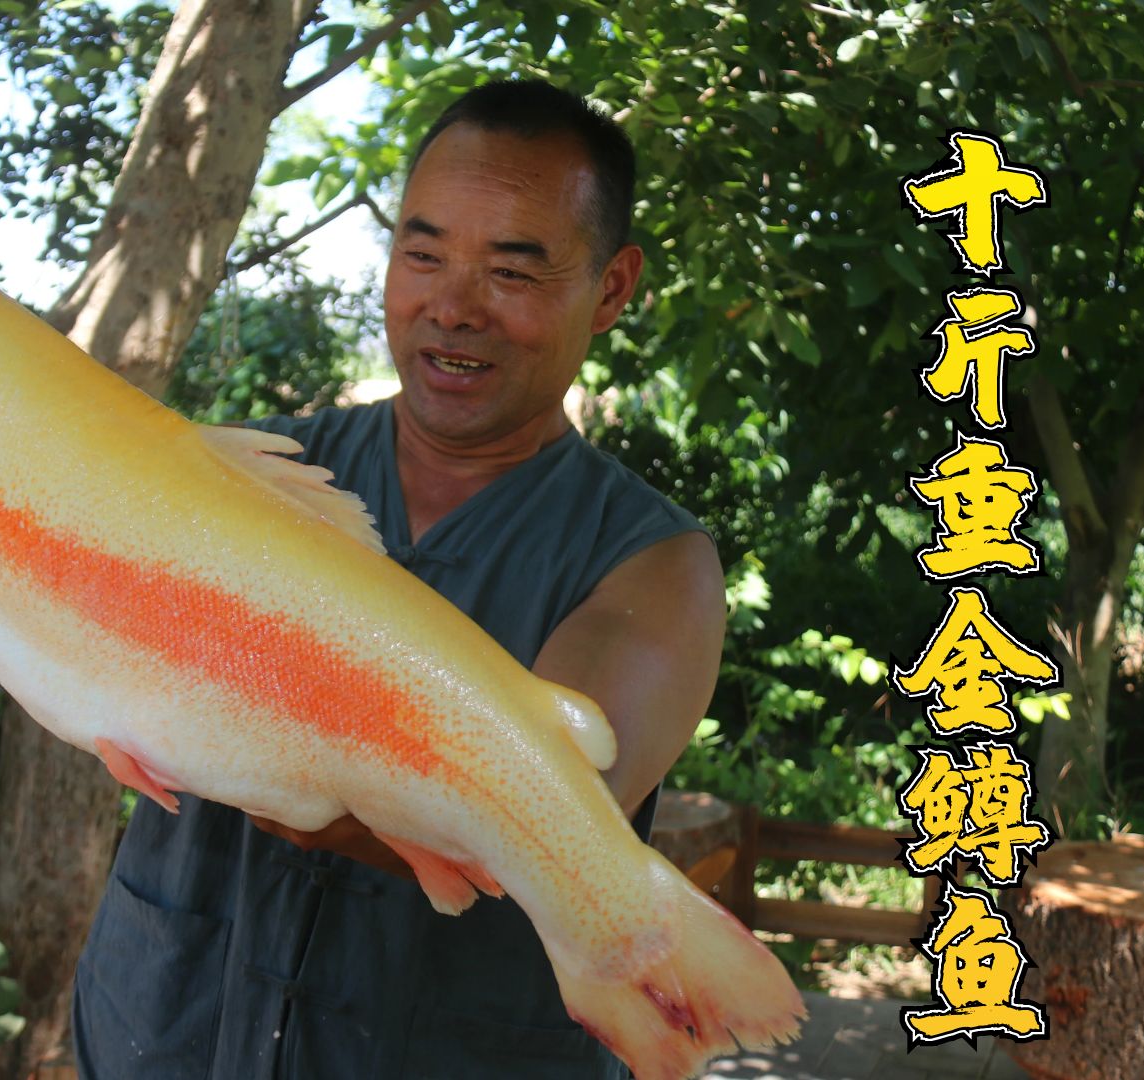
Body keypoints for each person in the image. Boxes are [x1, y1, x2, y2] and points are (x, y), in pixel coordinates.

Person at [71, 78, 726, 1079]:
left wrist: (281, 747)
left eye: (512, 270)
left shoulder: (650, 559)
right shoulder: (247, 474)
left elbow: (551, 805)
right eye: (423, 255)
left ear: (612, 289)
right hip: (165, 1032)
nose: (452, 306)